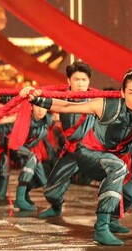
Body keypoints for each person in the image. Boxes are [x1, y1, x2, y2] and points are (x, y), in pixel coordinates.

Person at [21, 69, 132, 246]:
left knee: (131, 197)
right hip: (89, 153)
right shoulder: (106, 105)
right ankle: (101, 228)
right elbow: (66, 107)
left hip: (117, 158)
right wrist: (36, 98)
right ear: (122, 93)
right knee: (116, 168)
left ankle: (112, 221)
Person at [38, 61, 95, 218]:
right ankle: (56, 207)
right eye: (76, 79)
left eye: (84, 80)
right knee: (50, 190)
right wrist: (33, 95)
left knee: (119, 184)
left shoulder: (97, 101)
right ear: (69, 81)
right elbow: (44, 101)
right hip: (71, 151)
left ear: (89, 81)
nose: (81, 84)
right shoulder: (61, 99)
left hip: (93, 152)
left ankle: (110, 220)